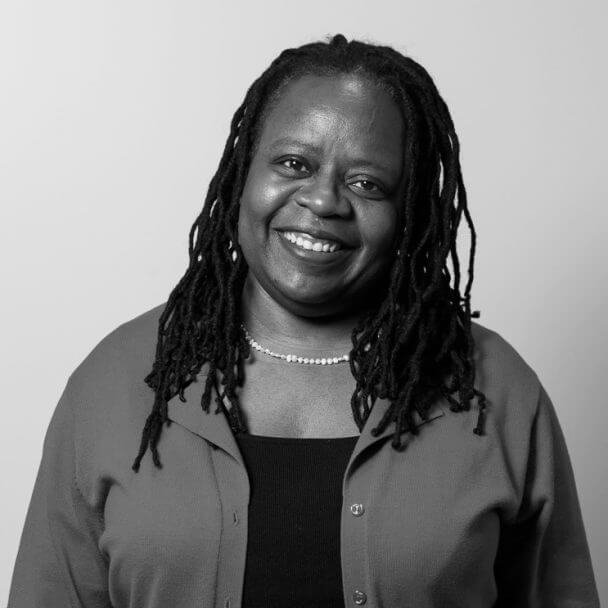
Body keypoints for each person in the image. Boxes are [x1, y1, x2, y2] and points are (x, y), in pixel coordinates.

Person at [8, 34, 600, 608]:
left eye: (367, 183)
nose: (323, 201)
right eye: (293, 162)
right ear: (242, 174)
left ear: (410, 212)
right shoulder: (115, 382)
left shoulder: (493, 390)